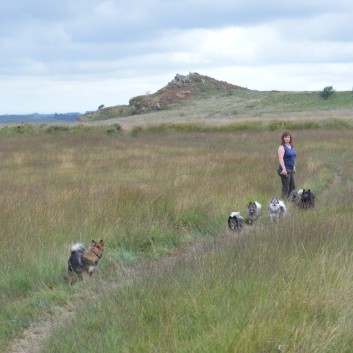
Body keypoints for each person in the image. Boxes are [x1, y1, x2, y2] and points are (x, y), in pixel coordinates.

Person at [277, 131, 297, 199]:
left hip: (291, 169)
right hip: (284, 169)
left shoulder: (291, 146)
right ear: (283, 138)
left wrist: (293, 166)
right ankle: (283, 203)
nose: (287, 138)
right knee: (286, 187)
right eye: (285, 137)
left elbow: (292, 157)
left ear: (290, 138)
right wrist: (284, 169)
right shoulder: (282, 147)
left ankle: (290, 201)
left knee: (292, 187)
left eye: (288, 137)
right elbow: (280, 158)